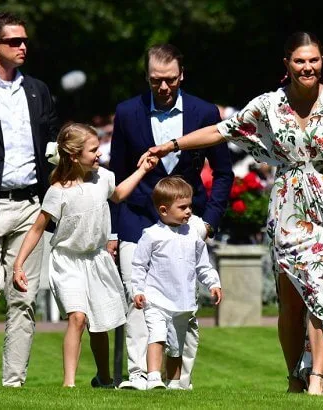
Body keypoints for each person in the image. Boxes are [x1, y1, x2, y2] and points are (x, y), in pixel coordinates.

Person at [141, 32, 323, 397]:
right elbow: (221, 130)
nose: (307, 67)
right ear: (287, 64)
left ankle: (317, 378)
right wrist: (171, 144)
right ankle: (296, 378)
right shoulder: (267, 106)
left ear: (321, 61)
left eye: (313, 60)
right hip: (289, 209)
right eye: (299, 61)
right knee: (293, 300)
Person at [109, 44, 233, 390]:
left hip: (187, 221)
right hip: (137, 217)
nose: (163, 88)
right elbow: (117, 175)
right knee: (138, 298)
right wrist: (114, 231)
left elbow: (223, 173)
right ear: (147, 78)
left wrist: (208, 221)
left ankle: (179, 378)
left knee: (184, 307)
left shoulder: (204, 111)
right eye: (155, 81)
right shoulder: (128, 112)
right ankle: (138, 376)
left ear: (182, 75)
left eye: (170, 80)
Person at [12, 123, 159, 387]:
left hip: (96, 259)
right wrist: (18, 265)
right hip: (67, 261)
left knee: (100, 324)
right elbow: (37, 229)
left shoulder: (103, 178)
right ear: (73, 155)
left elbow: (120, 194)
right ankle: (69, 384)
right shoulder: (58, 192)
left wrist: (143, 170)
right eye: (93, 150)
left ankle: (104, 378)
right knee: (77, 317)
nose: (99, 154)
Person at [0, 12, 58, 387]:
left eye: (25, 41)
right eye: (14, 41)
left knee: (22, 296)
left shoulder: (38, 90)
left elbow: (51, 141)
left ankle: (13, 383)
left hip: (30, 206)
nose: (23, 47)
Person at [131, 176, 222, 390]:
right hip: (156, 299)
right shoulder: (152, 235)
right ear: (163, 210)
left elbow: (203, 265)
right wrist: (137, 290)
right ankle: (153, 377)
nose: (189, 211)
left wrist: (213, 283)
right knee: (157, 334)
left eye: (190, 206)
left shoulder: (193, 236)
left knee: (176, 346)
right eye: (182, 207)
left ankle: (174, 383)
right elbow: (138, 265)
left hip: (183, 301)